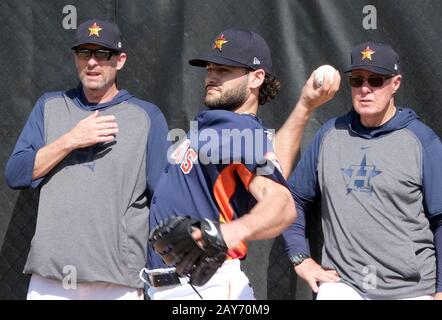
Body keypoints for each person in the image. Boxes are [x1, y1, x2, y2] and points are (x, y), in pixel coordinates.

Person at [141, 28, 339, 300]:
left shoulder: (237, 131)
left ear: (257, 77)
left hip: (204, 287)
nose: (211, 76)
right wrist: (304, 106)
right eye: (210, 68)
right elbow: (275, 169)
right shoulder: (234, 132)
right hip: (179, 287)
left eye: (224, 70)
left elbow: (282, 202)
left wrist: (226, 233)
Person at [4, 19, 169, 300]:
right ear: (75, 58)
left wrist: (160, 272)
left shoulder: (146, 117)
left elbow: (162, 199)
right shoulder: (49, 106)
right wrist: (71, 140)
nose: (92, 63)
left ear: (120, 60)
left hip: (117, 281)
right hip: (51, 278)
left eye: (102, 54)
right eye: (84, 53)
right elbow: (16, 174)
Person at [282, 41, 442, 300]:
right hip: (344, 285)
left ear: (395, 83)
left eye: (376, 80)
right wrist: (300, 257)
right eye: (357, 80)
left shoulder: (422, 141)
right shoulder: (330, 134)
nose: (365, 89)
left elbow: (441, 220)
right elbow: (293, 198)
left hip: (410, 290)